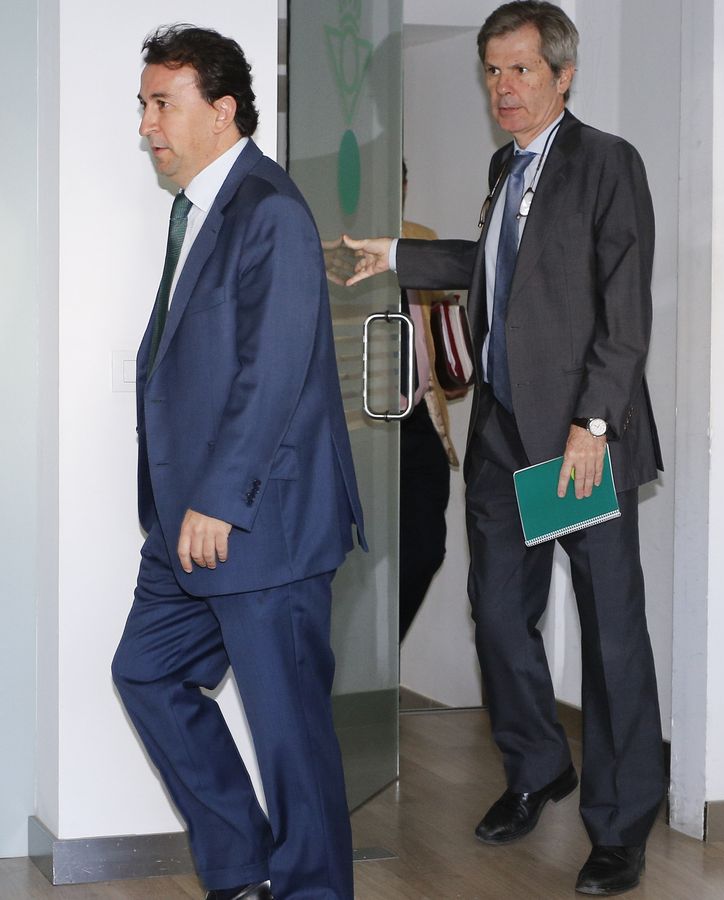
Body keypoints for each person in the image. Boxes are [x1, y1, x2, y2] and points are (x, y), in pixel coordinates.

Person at [340, 2, 663, 894]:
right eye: (491, 70)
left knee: (611, 633)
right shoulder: (504, 166)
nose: (503, 87)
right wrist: (398, 256)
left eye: (520, 70)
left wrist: (593, 425)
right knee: (497, 612)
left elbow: (624, 311)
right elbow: (497, 268)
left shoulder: (607, 164)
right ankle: (535, 767)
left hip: (575, 447)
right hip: (501, 438)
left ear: (564, 75)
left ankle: (621, 823)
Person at [110, 24, 365, 900]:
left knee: (290, 735)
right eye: (144, 105)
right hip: (187, 521)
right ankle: (244, 871)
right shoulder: (205, 210)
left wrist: (218, 498)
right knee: (145, 673)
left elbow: (273, 372)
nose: (147, 125)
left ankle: (312, 891)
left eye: (161, 104)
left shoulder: (270, 211)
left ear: (221, 110)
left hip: (259, 523)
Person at [399, 162, 464, 643]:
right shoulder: (330, 246)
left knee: (425, 548)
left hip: (420, 415)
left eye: (400, 185)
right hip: (358, 423)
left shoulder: (418, 237)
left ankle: (380, 662)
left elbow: (434, 324)